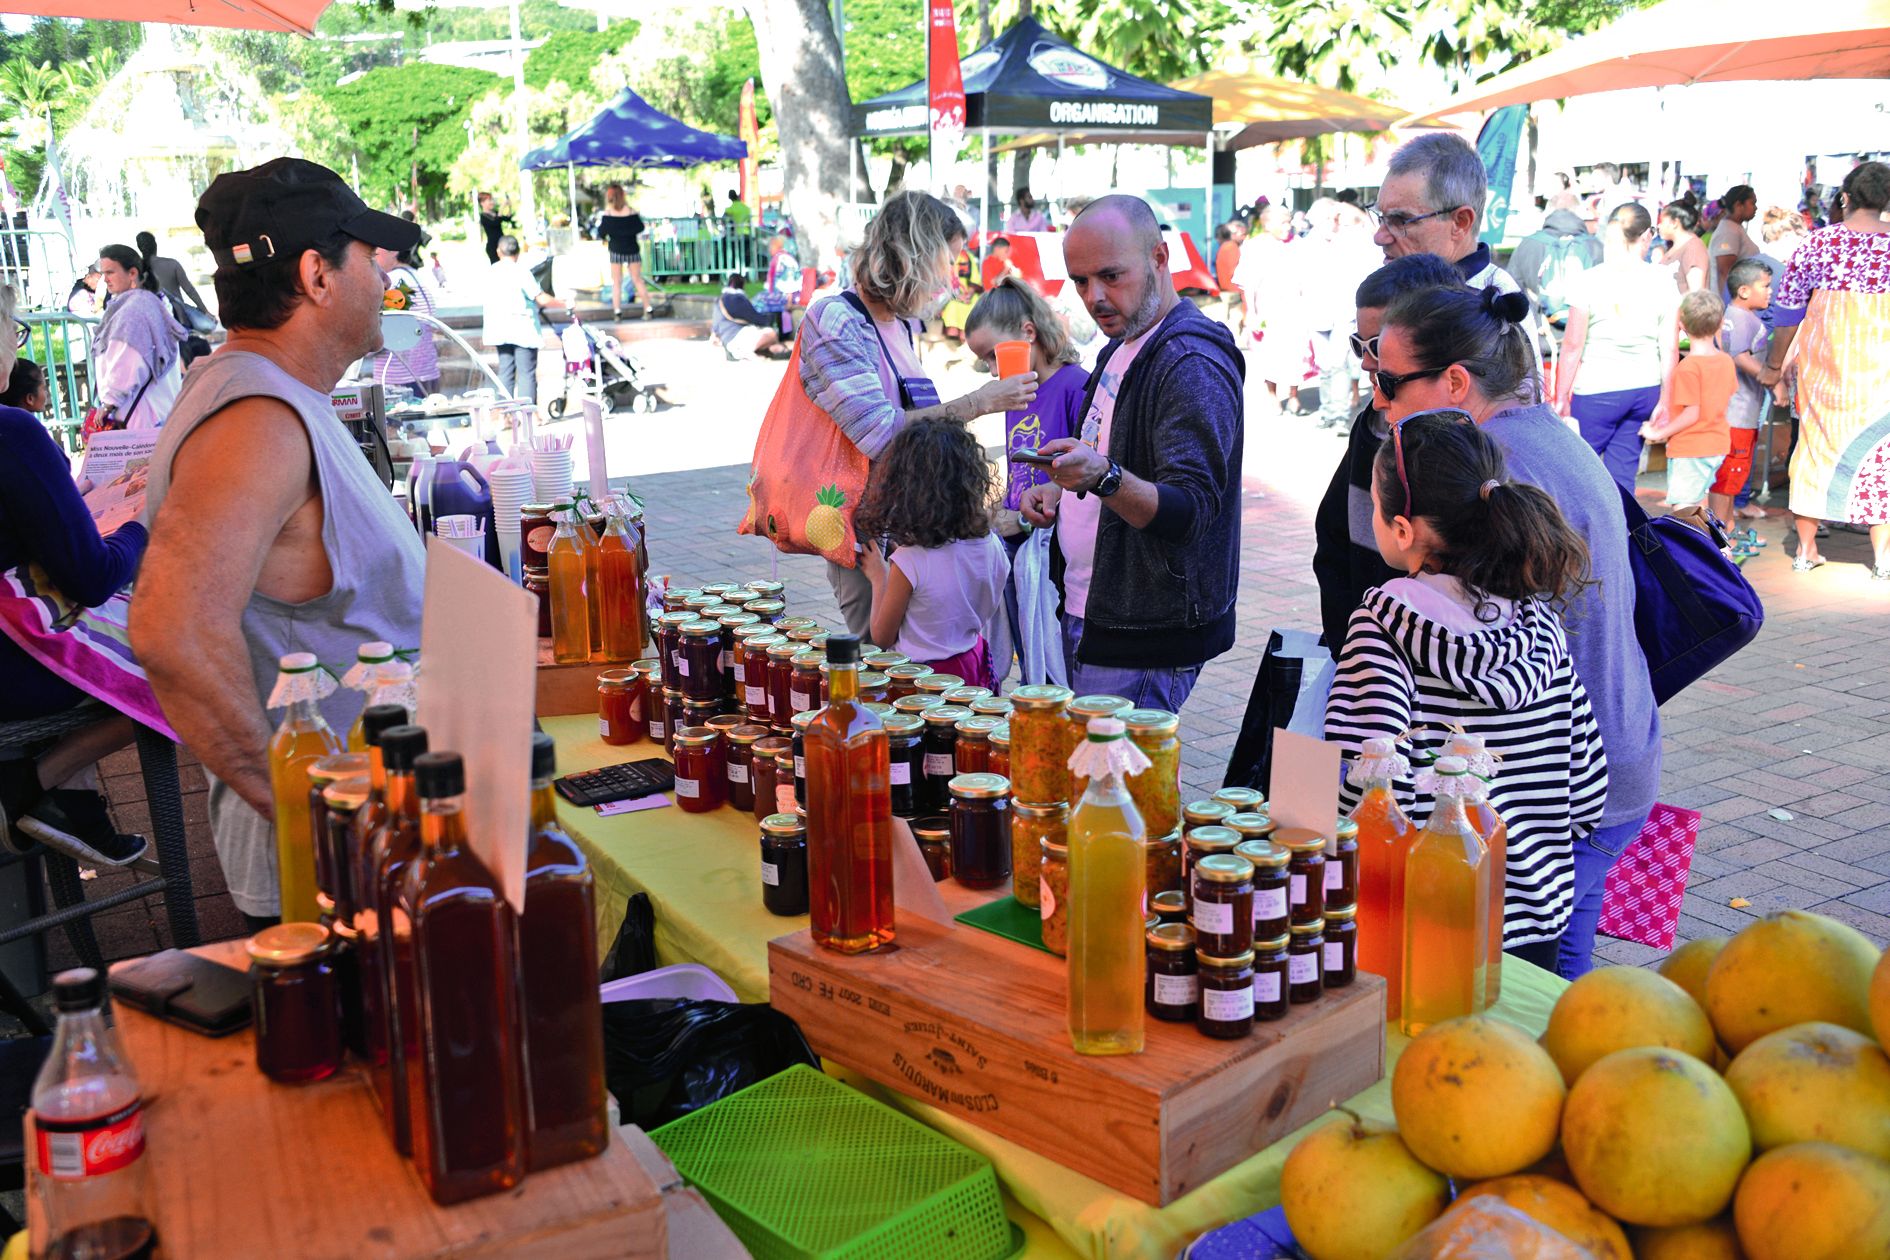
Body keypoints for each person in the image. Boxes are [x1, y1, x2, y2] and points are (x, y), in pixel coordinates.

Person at [130, 157, 427, 928]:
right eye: (367, 256)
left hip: (374, 835)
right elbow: (173, 630)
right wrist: (300, 813)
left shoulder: (271, 397)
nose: (381, 278)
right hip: (342, 865)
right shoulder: (256, 420)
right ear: (316, 276)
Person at [1372, 283, 1662, 979]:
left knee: (1497, 990)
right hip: (1605, 766)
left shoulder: (1491, 467)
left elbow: (1467, 664)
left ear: (1454, 381)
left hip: (1546, 796)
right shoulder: (1542, 435)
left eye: (1388, 381)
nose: (1380, 403)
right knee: (1557, 986)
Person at [1325, 410, 1607, 964]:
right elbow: (1588, 790)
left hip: (1424, 918)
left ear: (1402, 529)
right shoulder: (1538, 622)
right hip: (1532, 922)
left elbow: (1366, 784)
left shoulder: (1384, 622)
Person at [1018, 195, 1245, 708]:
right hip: (1096, 611)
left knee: (1113, 785)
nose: (1094, 296)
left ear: (1160, 259)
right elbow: (1109, 456)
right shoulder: (1122, 345)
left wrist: (1101, 477)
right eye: (1080, 281)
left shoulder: (1190, 360)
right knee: (1110, 782)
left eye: (1110, 276)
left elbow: (1190, 510)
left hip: (1146, 632)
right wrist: (1061, 485)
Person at [796, 190, 1039, 633]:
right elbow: (880, 433)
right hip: (866, 534)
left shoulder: (903, 323)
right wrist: (980, 402)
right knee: (882, 662)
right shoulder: (835, 322)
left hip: (911, 525)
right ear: (915, 254)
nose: (948, 279)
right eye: (947, 261)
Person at [0, 284, 149, 867]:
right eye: (13, 330)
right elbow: (92, 577)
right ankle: (37, 785)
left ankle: (74, 805)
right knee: (185, 653)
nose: (15, 346)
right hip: (14, 664)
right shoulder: (12, 432)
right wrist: (145, 519)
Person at [1311, 253, 1462, 649]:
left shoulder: (1472, 445)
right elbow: (1333, 534)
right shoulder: (1373, 423)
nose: (1365, 362)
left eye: (1376, 345)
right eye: (1358, 344)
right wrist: (1352, 641)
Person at [1757, 161, 1890, 577]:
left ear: (1845, 197)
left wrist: (1775, 366)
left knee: (1814, 454)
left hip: (1824, 374)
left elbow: (1788, 312)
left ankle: (1806, 551)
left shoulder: (1816, 245)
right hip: (1881, 378)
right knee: (1880, 459)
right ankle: (1882, 559)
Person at [965, 277, 1090, 678]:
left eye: (992, 355)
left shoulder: (1075, 385)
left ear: (1028, 334)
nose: (991, 369)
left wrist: (1046, 497)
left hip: (1056, 553)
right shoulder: (1017, 392)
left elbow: (1086, 473)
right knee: (1027, 657)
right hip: (1016, 547)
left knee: (1056, 663)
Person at [855, 420, 1011, 687]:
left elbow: (882, 636)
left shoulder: (909, 560)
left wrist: (879, 576)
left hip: (922, 682)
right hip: (972, 665)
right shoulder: (990, 543)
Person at [1555, 203, 1682, 491]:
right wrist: (1666, 398)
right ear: (1647, 236)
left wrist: (1561, 395)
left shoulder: (1589, 280)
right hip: (1644, 388)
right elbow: (1670, 348)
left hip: (1597, 389)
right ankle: (1619, 534)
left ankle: (1580, 535)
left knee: (1579, 476)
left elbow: (1573, 345)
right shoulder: (1663, 280)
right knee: (1622, 480)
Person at [1371, 132, 1523, 295]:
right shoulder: (1417, 287)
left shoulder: (1489, 312)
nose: (1379, 237)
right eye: (1381, 218)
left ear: (1460, 222)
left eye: (1400, 220)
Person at [1641, 290, 1733, 512]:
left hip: (1691, 447)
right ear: (1721, 323)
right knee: (1701, 507)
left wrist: (1658, 433)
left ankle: (1699, 547)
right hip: (1717, 443)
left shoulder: (1688, 368)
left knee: (1684, 508)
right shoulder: (1726, 361)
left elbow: (1692, 413)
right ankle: (1717, 546)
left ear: (1681, 324)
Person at [1709, 260, 1774, 538]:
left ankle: (1725, 531)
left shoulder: (1740, 317)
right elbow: (1738, 357)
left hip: (1742, 412)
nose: (1770, 292)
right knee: (1726, 479)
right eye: (1766, 286)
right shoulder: (1739, 317)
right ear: (1745, 290)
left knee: (1729, 479)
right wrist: (1772, 379)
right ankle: (1721, 535)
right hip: (1737, 413)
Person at [93, 243, 186, 431]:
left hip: (141, 416)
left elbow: (128, 361)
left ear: (132, 273)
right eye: (103, 273)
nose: (105, 280)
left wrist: (108, 403)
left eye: (110, 272)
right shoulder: (151, 302)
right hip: (158, 411)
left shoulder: (134, 310)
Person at [1236, 203, 1309, 413]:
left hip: (1296, 305)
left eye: (1289, 221)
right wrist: (1251, 311)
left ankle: (1294, 395)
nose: (1288, 226)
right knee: (1271, 353)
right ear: (1268, 224)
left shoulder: (1299, 244)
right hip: (1267, 306)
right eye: (1283, 222)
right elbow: (1248, 283)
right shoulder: (1254, 246)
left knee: (1297, 351)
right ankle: (1273, 395)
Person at [482, 235, 563, 406]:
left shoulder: (490, 272)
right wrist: (563, 303)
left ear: (498, 252)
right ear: (518, 253)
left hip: (499, 329)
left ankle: (505, 415)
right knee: (526, 373)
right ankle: (529, 415)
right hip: (523, 330)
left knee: (505, 371)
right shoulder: (522, 272)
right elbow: (540, 298)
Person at [1508, 196, 1603, 334]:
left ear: (1549, 212)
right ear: (1579, 213)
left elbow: (1511, 295)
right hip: (1584, 340)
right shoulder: (1596, 247)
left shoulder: (1527, 245)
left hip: (1539, 338)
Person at [361, 239, 440, 401]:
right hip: (427, 371)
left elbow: (379, 333)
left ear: (394, 252)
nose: (373, 256)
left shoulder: (392, 282)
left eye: (376, 251)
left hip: (398, 378)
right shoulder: (419, 276)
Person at [134, 229, 212, 328]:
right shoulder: (172, 264)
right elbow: (189, 290)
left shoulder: (136, 270)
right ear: (155, 245)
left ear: (140, 248)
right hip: (177, 317)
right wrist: (204, 310)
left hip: (150, 320)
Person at [595, 182, 650, 320]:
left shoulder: (608, 215)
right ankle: (648, 309)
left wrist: (612, 235)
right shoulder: (631, 212)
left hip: (616, 250)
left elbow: (601, 232)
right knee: (637, 280)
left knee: (617, 282)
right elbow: (640, 227)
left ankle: (617, 312)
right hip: (632, 249)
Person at [712, 273, 784, 360]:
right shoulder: (739, 299)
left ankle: (749, 352)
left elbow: (715, 326)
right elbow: (757, 319)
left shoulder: (720, 299)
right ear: (742, 285)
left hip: (726, 340)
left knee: (773, 344)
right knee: (772, 334)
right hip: (737, 336)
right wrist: (771, 316)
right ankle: (748, 351)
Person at [1709, 184, 1759, 296]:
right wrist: (1728, 306)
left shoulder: (1734, 228)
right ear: (1739, 205)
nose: (1755, 208)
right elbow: (1724, 272)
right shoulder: (1728, 231)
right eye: (1752, 203)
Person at [1657, 202, 1710, 295]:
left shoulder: (1693, 249)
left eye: (1661, 221)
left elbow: (1696, 294)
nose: (1658, 226)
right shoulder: (1679, 246)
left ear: (1674, 223)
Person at [1213, 220, 1246, 336]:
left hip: (1226, 286)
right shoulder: (1231, 247)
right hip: (1232, 287)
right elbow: (1234, 272)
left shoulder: (1226, 247)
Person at [477, 192, 511, 265]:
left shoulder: (495, 212)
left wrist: (509, 206)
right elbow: (496, 223)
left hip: (502, 244)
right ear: (482, 203)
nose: (492, 202)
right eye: (489, 200)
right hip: (493, 247)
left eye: (492, 200)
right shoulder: (483, 217)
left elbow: (508, 218)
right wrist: (502, 208)